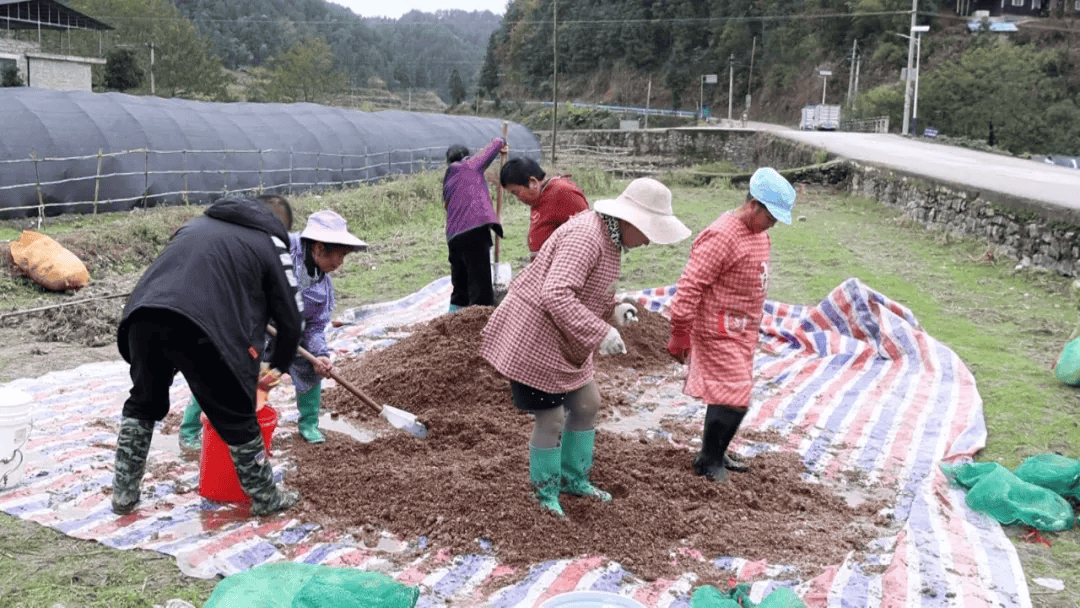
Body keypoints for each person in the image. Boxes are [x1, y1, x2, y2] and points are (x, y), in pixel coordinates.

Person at [480, 178, 690, 517]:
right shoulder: (586, 237)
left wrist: (614, 309)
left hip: (565, 338)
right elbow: (556, 293)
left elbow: (588, 292)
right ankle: (544, 494)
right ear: (630, 220)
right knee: (550, 419)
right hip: (535, 337)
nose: (650, 241)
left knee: (588, 403)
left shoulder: (610, 238)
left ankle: (573, 478)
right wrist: (599, 332)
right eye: (649, 232)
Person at [113, 194, 305, 517]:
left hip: (142, 316)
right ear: (280, 224)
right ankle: (265, 498)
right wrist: (272, 373)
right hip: (201, 327)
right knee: (238, 415)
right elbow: (293, 319)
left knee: (143, 403)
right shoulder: (270, 242)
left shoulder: (194, 226)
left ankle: (123, 495)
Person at [179, 209, 367, 447]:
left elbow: (316, 326)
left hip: (287, 333)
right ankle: (190, 430)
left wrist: (320, 354)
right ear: (319, 248)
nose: (340, 263)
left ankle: (307, 424)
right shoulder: (276, 249)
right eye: (339, 256)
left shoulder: (323, 287)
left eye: (344, 257)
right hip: (247, 323)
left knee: (307, 367)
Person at [666, 167, 796, 483]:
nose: (774, 223)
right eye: (771, 216)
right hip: (716, 328)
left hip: (743, 328)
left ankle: (717, 451)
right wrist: (680, 331)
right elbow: (691, 284)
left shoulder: (758, 234)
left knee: (729, 393)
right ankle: (708, 461)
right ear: (753, 205)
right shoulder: (721, 236)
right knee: (735, 395)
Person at [443, 137, 507, 312]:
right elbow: (491, 149)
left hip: (453, 237)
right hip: (473, 231)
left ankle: (452, 322)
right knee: (481, 286)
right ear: (466, 157)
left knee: (460, 287)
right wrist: (502, 140)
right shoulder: (469, 166)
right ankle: (481, 325)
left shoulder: (449, 180)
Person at [499, 157, 588, 261]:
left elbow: (585, 232)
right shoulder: (539, 197)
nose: (517, 198)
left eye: (516, 192)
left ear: (533, 182)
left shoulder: (563, 192)